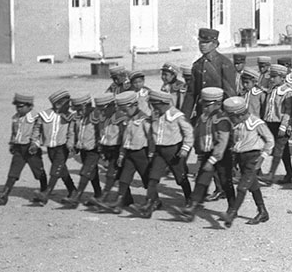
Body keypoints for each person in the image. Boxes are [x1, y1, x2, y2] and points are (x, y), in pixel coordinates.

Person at [172, 88, 236, 226]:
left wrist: (213, 159)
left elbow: (223, 142)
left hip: (222, 155)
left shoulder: (222, 119)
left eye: (208, 105)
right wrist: (199, 153)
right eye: (203, 104)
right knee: (202, 179)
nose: (204, 107)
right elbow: (198, 135)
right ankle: (192, 206)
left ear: (218, 104)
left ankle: (232, 208)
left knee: (226, 182)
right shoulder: (202, 118)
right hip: (207, 153)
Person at [131, 90, 194, 218]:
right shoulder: (155, 115)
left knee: (180, 177)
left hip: (174, 152)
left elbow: (189, 132)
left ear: (164, 103)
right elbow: (151, 134)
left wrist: (185, 148)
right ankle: (151, 202)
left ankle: (189, 199)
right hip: (159, 151)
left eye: (155, 105)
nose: (153, 107)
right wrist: (151, 150)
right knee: (153, 177)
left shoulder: (177, 116)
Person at [96, 91, 151, 214]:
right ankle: (120, 201)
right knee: (124, 178)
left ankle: (154, 200)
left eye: (126, 110)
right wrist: (121, 154)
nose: (124, 113)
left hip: (141, 153)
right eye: (122, 110)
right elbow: (125, 139)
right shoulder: (128, 119)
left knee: (147, 178)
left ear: (134, 105)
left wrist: (151, 154)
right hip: (129, 153)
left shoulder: (144, 120)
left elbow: (151, 138)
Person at [0, 93, 47, 205]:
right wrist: (12, 143)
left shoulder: (36, 117)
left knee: (38, 171)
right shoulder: (16, 118)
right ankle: (3, 195)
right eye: (17, 106)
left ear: (30, 106)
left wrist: (35, 144)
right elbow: (14, 132)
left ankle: (44, 192)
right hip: (19, 148)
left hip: (31, 148)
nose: (18, 109)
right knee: (13, 172)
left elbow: (38, 132)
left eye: (21, 106)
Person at [223, 96, 274, 225]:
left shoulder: (257, 123)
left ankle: (233, 212)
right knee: (253, 185)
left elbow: (270, 140)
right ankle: (262, 212)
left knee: (242, 187)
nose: (231, 120)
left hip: (253, 157)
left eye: (232, 117)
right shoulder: (236, 124)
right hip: (241, 157)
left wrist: (263, 157)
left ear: (239, 115)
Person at [32, 89, 77, 206]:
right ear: (57, 104)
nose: (69, 106)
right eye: (67, 104)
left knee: (55, 170)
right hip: (51, 147)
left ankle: (47, 192)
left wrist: (70, 144)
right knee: (61, 170)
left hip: (63, 147)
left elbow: (71, 132)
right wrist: (35, 143)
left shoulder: (69, 117)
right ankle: (73, 190)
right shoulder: (44, 115)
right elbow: (37, 129)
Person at [182, 28, 239, 119]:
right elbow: (191, 94)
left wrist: (230, 115)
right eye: (200, 42)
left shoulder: (224, 63)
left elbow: (230, 92)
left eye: (206, 42)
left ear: (215, 44)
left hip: (219, 113)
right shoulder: (197, 65)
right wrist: (185, 117)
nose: (202, 45)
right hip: (202, 113)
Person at [61, 93, 101, 208]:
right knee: (92, 173)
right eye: (76, 109)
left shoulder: (96, 115)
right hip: (82, 148)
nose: (79, 112)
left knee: (85, 171)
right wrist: (71, 144)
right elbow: (72, 132)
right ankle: (98, 194)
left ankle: (76, 196)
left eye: (80, 109)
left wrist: (100, 145)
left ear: (87, 106)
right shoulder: (76, 117)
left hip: (93, 148)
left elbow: (101, 131)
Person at [262, 65, 292, 185]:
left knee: (278, 149)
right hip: (271, 123)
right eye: (271, 76)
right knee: (284, 150)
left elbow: (289, 111)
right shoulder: (272, 89)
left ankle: (271, 174)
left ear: (282, 77)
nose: (271, 79)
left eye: (274, 77)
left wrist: (284, 125)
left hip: (281, 124)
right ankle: (289, 173)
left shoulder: (287, 91)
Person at [89, 93, 122, 207]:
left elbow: (124, 136)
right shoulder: (102, 118)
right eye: (100, 109)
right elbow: (101, 133)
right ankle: (124, 198)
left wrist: (122, 153)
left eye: (104, 109)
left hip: (118, 149)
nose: (102, 112)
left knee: (112, 174)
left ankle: (103, 197)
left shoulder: (120, 118)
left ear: (112, 106)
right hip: (107, 149)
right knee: (118, 175)